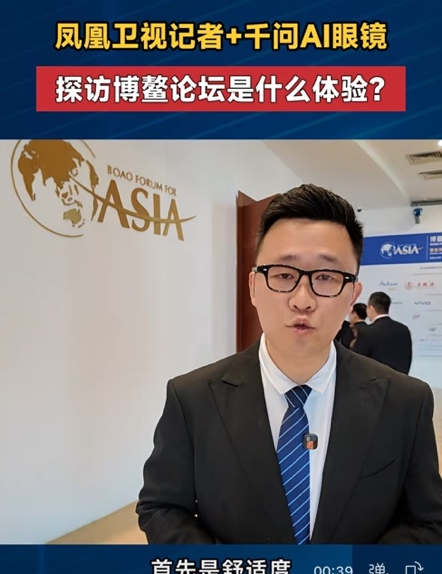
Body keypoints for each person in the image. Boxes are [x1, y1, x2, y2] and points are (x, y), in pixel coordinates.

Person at [136, 184, 442, 544]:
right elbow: (162, 507)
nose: (302, 300)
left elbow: (426, 522)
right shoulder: (193, 398)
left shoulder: (405, 401)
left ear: (352, 295)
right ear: (253, 286)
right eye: (283, 274)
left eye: (326, 277)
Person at [352, 291, 412, 373]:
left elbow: (356, 362)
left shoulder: (367, 332)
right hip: (401, 379)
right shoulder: (403, 329)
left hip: (375, 380)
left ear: (371, 308)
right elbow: (407, 359)